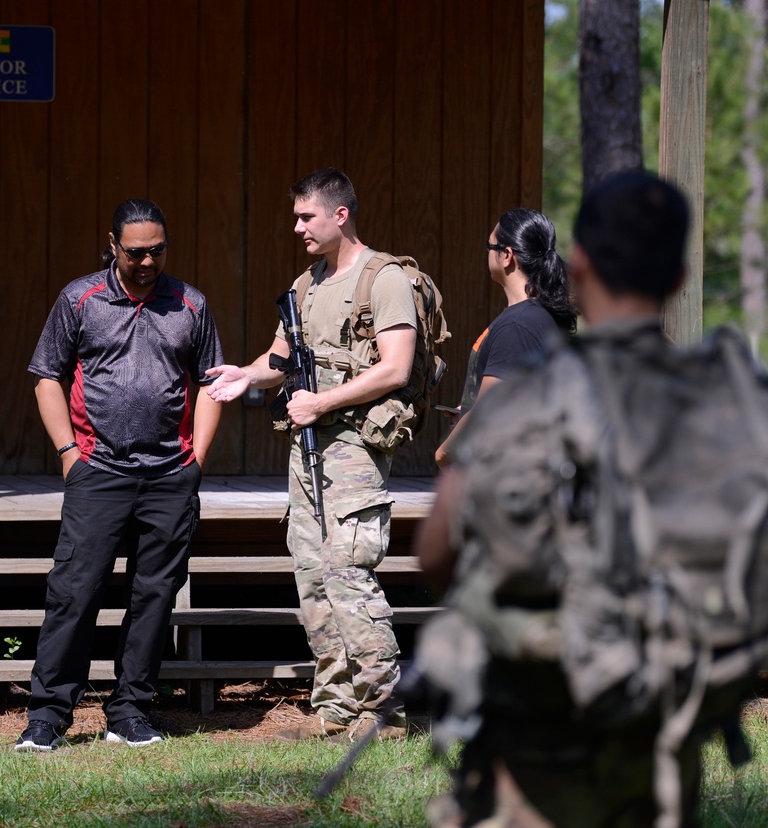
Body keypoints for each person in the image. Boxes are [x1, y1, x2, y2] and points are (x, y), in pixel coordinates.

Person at [416, 171, 702, 827]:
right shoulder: (702, 394)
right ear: (678, 279)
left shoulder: (536, 364)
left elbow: (436, 551)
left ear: (580, 264)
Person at [206, 167, 416, 743]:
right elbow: (279, 359)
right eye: (296, 216)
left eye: (307, 216)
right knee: (312, 577)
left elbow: (396, 367)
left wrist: (321, 403)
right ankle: (336, 708)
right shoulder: (306, 284)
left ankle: (383, 710)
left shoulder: (385, 278)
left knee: (349, 574)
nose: (296, 226)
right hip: (308, 451)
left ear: (340, 215)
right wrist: (242, 375)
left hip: (353, 447)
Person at [15, 199, 224, 752]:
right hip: (98, 469)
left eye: (158, 249)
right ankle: (47, 718)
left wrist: (195, 458)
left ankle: (130, 712)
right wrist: (67, 452)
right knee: (75, 592)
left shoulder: (190, 304)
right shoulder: (79, 298)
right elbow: (46, 377)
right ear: (112, 245)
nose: (148, 260)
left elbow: (209, 382)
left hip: (169, 475)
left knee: (154, 597)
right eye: (136, 251)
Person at [434, 208, 577, 468]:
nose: (487, 252)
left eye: (490, 246)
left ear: (507, 256)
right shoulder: (534, 317)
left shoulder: (518, 325)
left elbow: (490, 410)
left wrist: (444, 454)